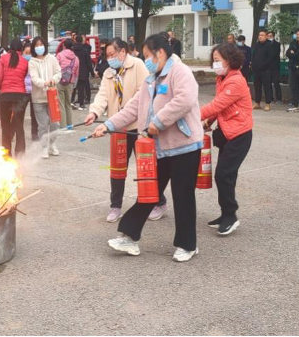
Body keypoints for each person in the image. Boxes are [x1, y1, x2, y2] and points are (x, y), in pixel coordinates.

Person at [92, 34, 203, 263]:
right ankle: (129, 237)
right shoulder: (151, 79)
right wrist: (108, 125)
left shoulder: (180, 71)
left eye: (147, 56)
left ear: (160, 53)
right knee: (148, 192)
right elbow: (133, 107)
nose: (146, 61)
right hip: (160, 148)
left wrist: (158, 122)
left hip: (184, 147)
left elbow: (185, 99)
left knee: (182, 196)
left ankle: (187, 245)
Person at [85, 38, 168, 223]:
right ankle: (115, 206)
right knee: (117, 169)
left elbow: (143, 93)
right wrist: (94, 112)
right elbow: (102, 96)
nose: (110, 58)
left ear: (122, 52)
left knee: (145, 167)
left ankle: (159, 202)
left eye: (112, 54)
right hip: (118, 128)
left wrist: (127, 112)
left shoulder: (137, 65)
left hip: (138, 127)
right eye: (107, 56)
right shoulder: (108, 73)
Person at [200, 43, 253, 236]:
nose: (214, 64)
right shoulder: (223, 78)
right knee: (225, 175)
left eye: (217, 60)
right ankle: (225, 214)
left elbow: (216, 105)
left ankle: (231, 216)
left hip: (239, 134)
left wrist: (191, 116)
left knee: (223, 175)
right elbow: (220, 107)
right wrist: (208, 122)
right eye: (213, 60)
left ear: (230, 60)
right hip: (227, 133)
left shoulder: (236, 81)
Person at [29, 37, 62, 159]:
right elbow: (34, 78)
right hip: (38, 98)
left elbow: (58, 72)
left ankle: (52, 143)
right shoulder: (32, 62)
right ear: (33, 48)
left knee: (55, 123)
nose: (39, 47)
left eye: (41, 44)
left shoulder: (52, 58)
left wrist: (53, 80)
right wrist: (44, 83)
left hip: (52, 96)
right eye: (37, 45)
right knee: (43, 125)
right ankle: (44, 147)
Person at [0, 39, 30, 157]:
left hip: (5, 95)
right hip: (20, 96)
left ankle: (6, 154)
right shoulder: (25, 62)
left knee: (5, 126)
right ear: (21, 48)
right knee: (19, 126)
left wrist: (1, 89)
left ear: (10, 48)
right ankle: (20, 155)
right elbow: (25, 77)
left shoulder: (3, 58)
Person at [56, 39, 80, 128]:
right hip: (70, 83)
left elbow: (55, 69)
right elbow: (77, 73)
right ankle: (69, 124)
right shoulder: (76, 58)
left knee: (61, 105)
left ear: (64, 46)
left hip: (60, 82)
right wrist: (74, 85)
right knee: (68, 104)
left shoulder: (59, 55)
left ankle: (63, 125)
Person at [250, 30, 273, 111]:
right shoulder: (257, 45)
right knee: (257, 87)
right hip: (256, 70)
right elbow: (254, 55)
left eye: (262, 35)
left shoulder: (269, 45)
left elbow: (270, 58)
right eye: (259, 35)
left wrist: (262, 65)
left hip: (265, 70)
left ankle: (268, 103)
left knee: (267, 87)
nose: (260, 36)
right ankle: (257, 103)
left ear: (266, 36)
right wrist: (252, 64)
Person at [72, 35, 95, 110]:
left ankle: (72, 101)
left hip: (74, 71)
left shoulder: (72, 50)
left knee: (74, 87)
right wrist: (92, 72)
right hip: (83, 71)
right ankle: (81, 104)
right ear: (82, 40)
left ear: (75, 40)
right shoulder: (85, 50)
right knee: (81, 88)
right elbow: (89, 62)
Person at [22, 43, 39, 141]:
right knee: (19, 113)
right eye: (26, 53)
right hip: (23, 91)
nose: (28, 55)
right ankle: (13, 133)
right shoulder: (20, 62)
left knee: (34, 114)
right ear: (23, 52)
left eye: (30, 53)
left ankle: (35, 133)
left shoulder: (35, 62)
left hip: (34, 91)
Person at [266, 31, 283, 104]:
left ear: (273, 36)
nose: (269, 37)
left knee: (276, 83)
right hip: (267, 67)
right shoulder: (265, 44)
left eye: (270, 36)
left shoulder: (277, 44)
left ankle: (279, 98)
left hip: (275, 67)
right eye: (268, 36)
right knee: (268, 83)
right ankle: (270, 98)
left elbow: (274, 54)